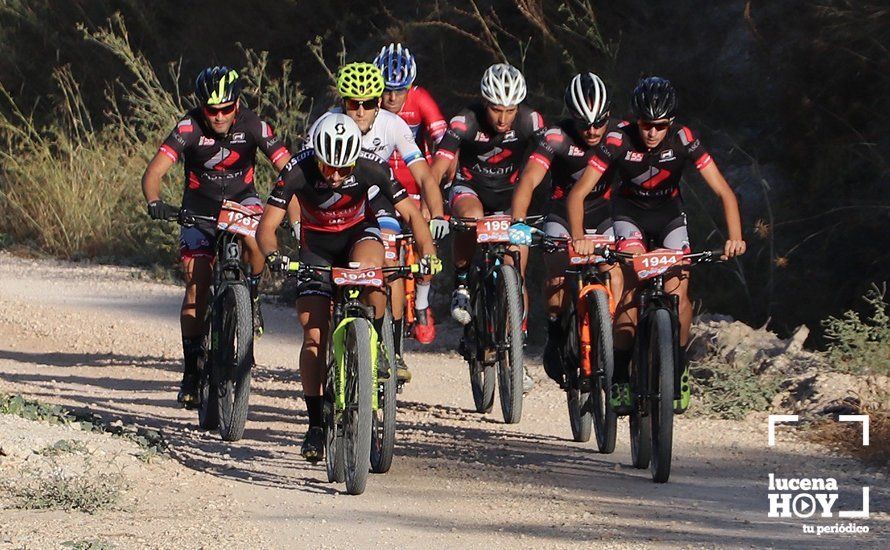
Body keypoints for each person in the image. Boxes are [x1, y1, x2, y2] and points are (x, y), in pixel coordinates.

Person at [256, 114, 439, 461]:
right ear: (317, 157)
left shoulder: (372, 167)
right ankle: (315, 426)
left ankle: (375, 342)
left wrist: (429, 253)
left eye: (344, 169)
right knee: (314, 336)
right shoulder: (297, 169)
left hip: (359, 235)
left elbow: (413, 215)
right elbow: (267, 226)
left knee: (374, 268)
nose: (337, 176)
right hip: (316, 247)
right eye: (329, 168)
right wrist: (273, 255)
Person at [568, 76, 745, 413]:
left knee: (680, 288)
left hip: (669, 216)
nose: (651, 133)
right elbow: (578, 192)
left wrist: (734, 237)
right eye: (646, 125)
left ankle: (677, 368)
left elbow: (723, 191)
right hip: (628, 215)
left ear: (670, 123)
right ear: (637, 120)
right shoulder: (617, 139)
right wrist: (579, 237)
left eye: (659, 126)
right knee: (634, 285)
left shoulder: (684, 139)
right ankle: (620, 376)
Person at [141, 66, 291, 406]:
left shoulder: (255, 124)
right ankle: (192, 371)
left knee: (255, 241)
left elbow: (290, 170)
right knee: (196, 284)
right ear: (201, 107)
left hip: (243, 201)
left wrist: (295, 213)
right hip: (199, 208)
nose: (220, 116)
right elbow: (154, 172)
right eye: (212, 110)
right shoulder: (188, 127)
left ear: (237, 104)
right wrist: (154, 201)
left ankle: (250, 295)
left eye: (226, 109)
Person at [306, 62, 447, 381]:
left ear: (379, 101)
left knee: (388, 256)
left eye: (368, 102)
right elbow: (303, 176)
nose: (359, 111)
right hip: (336, 203)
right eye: (352, 103)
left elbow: (423, 174)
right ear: (342, 101)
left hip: (378, 197)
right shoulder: (326, 125)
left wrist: (436, 214)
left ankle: (391, 348)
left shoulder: (393, 124)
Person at [429, 62, 545, 391]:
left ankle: (515, 353)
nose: (504, 118)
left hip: (512, 197)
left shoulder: (532, 122)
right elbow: (438, 168)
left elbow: (547, 165)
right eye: (496, 109)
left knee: (516, 268)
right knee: (471, 218)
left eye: (510, 110)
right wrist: (434, 210)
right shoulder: (464, 121)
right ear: (484, 102)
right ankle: (463, 285)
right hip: (471, 189)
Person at [509, 73, 625, 387]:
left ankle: (610, 336)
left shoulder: (619, 133)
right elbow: (529, 180)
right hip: (560, 213)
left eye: (599, 123)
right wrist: (518, 221)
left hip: (603, 214)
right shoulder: (556, 137)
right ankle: (557, 329)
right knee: (558, 275)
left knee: (615, 271)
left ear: (608, 115)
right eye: (584, 123)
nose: (592, 131)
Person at [373, 43, 449, 344]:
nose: (392, 97)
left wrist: (437, 200)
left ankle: (421, 302)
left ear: (410, 86)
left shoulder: (421, 100)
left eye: (400, 90)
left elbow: (444, 145)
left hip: (417, 181)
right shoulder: (368, 106)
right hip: (381, 185)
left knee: (424, 241)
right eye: (386, 89)